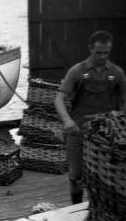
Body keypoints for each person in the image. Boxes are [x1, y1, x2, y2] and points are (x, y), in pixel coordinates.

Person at [54, 30, 126, 204]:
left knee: (106, 177)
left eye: (105, 53)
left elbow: (124, 99)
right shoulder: (77, 71)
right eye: (98, 52)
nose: (102, 56)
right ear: (90, 49)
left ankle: (101, 210)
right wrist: (67, 120)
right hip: (78, 130)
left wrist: (120, 113)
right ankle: (75, 206)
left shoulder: (116, 73)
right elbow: (59, 99)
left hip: (105, 134)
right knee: (76, 175)